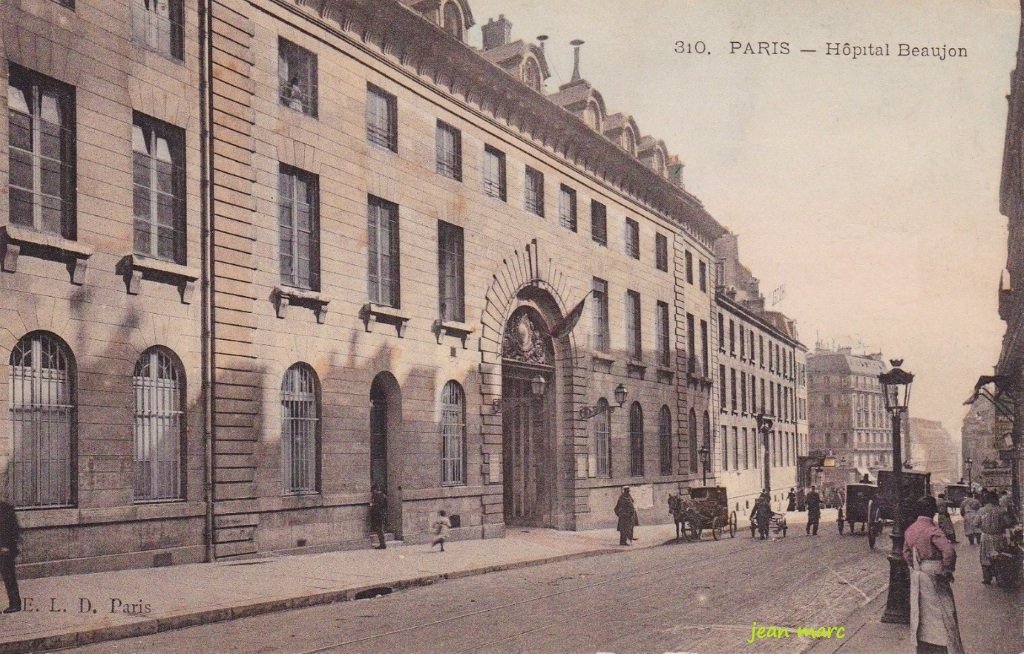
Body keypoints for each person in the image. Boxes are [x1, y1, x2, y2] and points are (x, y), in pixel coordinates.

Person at [902, 495, 965, 654]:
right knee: (944, 610)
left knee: (921, 611)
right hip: (935, 573)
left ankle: (924, 646)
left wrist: (915, 565)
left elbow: (906, 552)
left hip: (918, 574)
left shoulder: (910, 530)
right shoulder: (933, 530)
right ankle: (945, 646)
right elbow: (948, 551)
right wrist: (947, 569)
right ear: (932, 511)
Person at [978, 492, 1010, 584]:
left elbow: (975, 523)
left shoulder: (981, 510)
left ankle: (987, 578)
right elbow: (1007, 523)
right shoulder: (1001, 510)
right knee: (999, 557)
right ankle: (1000, 579)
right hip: (998, 536)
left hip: (985, 537)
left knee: (984, 557)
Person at [0, 501, 20, 613]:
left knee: (9, 577)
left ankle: (15, 604)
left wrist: (6, 546)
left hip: (5, 550)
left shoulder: (5, 509)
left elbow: (13, 530)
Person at [369, 485, 387, 550]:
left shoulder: (378, 496)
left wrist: (372, 505)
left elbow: (378, 505)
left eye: (373, 491)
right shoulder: (383, 495)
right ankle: (382, 544)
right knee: (380, 529)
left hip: (379, 515)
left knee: (379, 529)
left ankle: (382, 544)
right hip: (381, 514)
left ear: (375, 490)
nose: (372, 492)